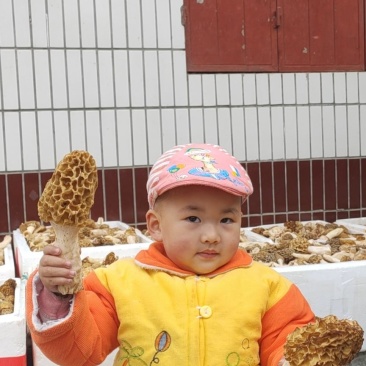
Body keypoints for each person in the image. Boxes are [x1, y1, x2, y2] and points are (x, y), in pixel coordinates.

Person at [26, 143, 315, 366]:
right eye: (193, 219)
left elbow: (289, 338)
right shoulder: (120, 283)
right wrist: (57, 296)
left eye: (227, 220)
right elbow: (79, 351)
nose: (211, 235)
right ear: (155, 226)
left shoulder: (267, 286)